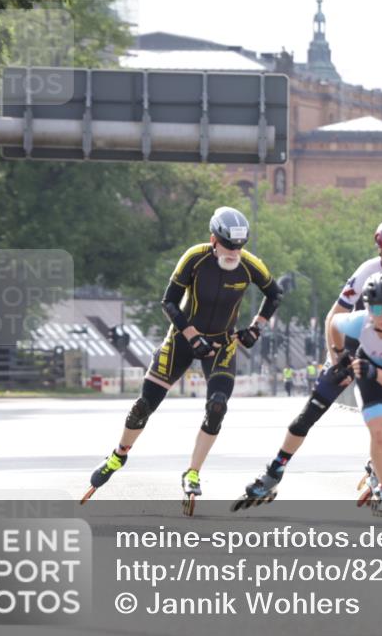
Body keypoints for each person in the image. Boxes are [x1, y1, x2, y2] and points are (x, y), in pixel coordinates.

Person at [234, 219, 382, 506]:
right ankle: (274, 472)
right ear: (380, 251)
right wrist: (338, 358)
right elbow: (333, 317)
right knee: (309, 413)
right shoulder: (367, 271)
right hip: (356, 346)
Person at [82, 207, 282, 514]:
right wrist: (191, 335)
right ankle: (118, 455)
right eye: (228, 246)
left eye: (239, 248)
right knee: (143, 406)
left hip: (221, 345)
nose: (234, 253)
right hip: (181, 340)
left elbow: (275, 293)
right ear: (213, 239)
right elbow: (169, 301)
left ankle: (192, 473)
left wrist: (257, 327)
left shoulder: (249, 265)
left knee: (217, 406)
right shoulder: (195, 258)